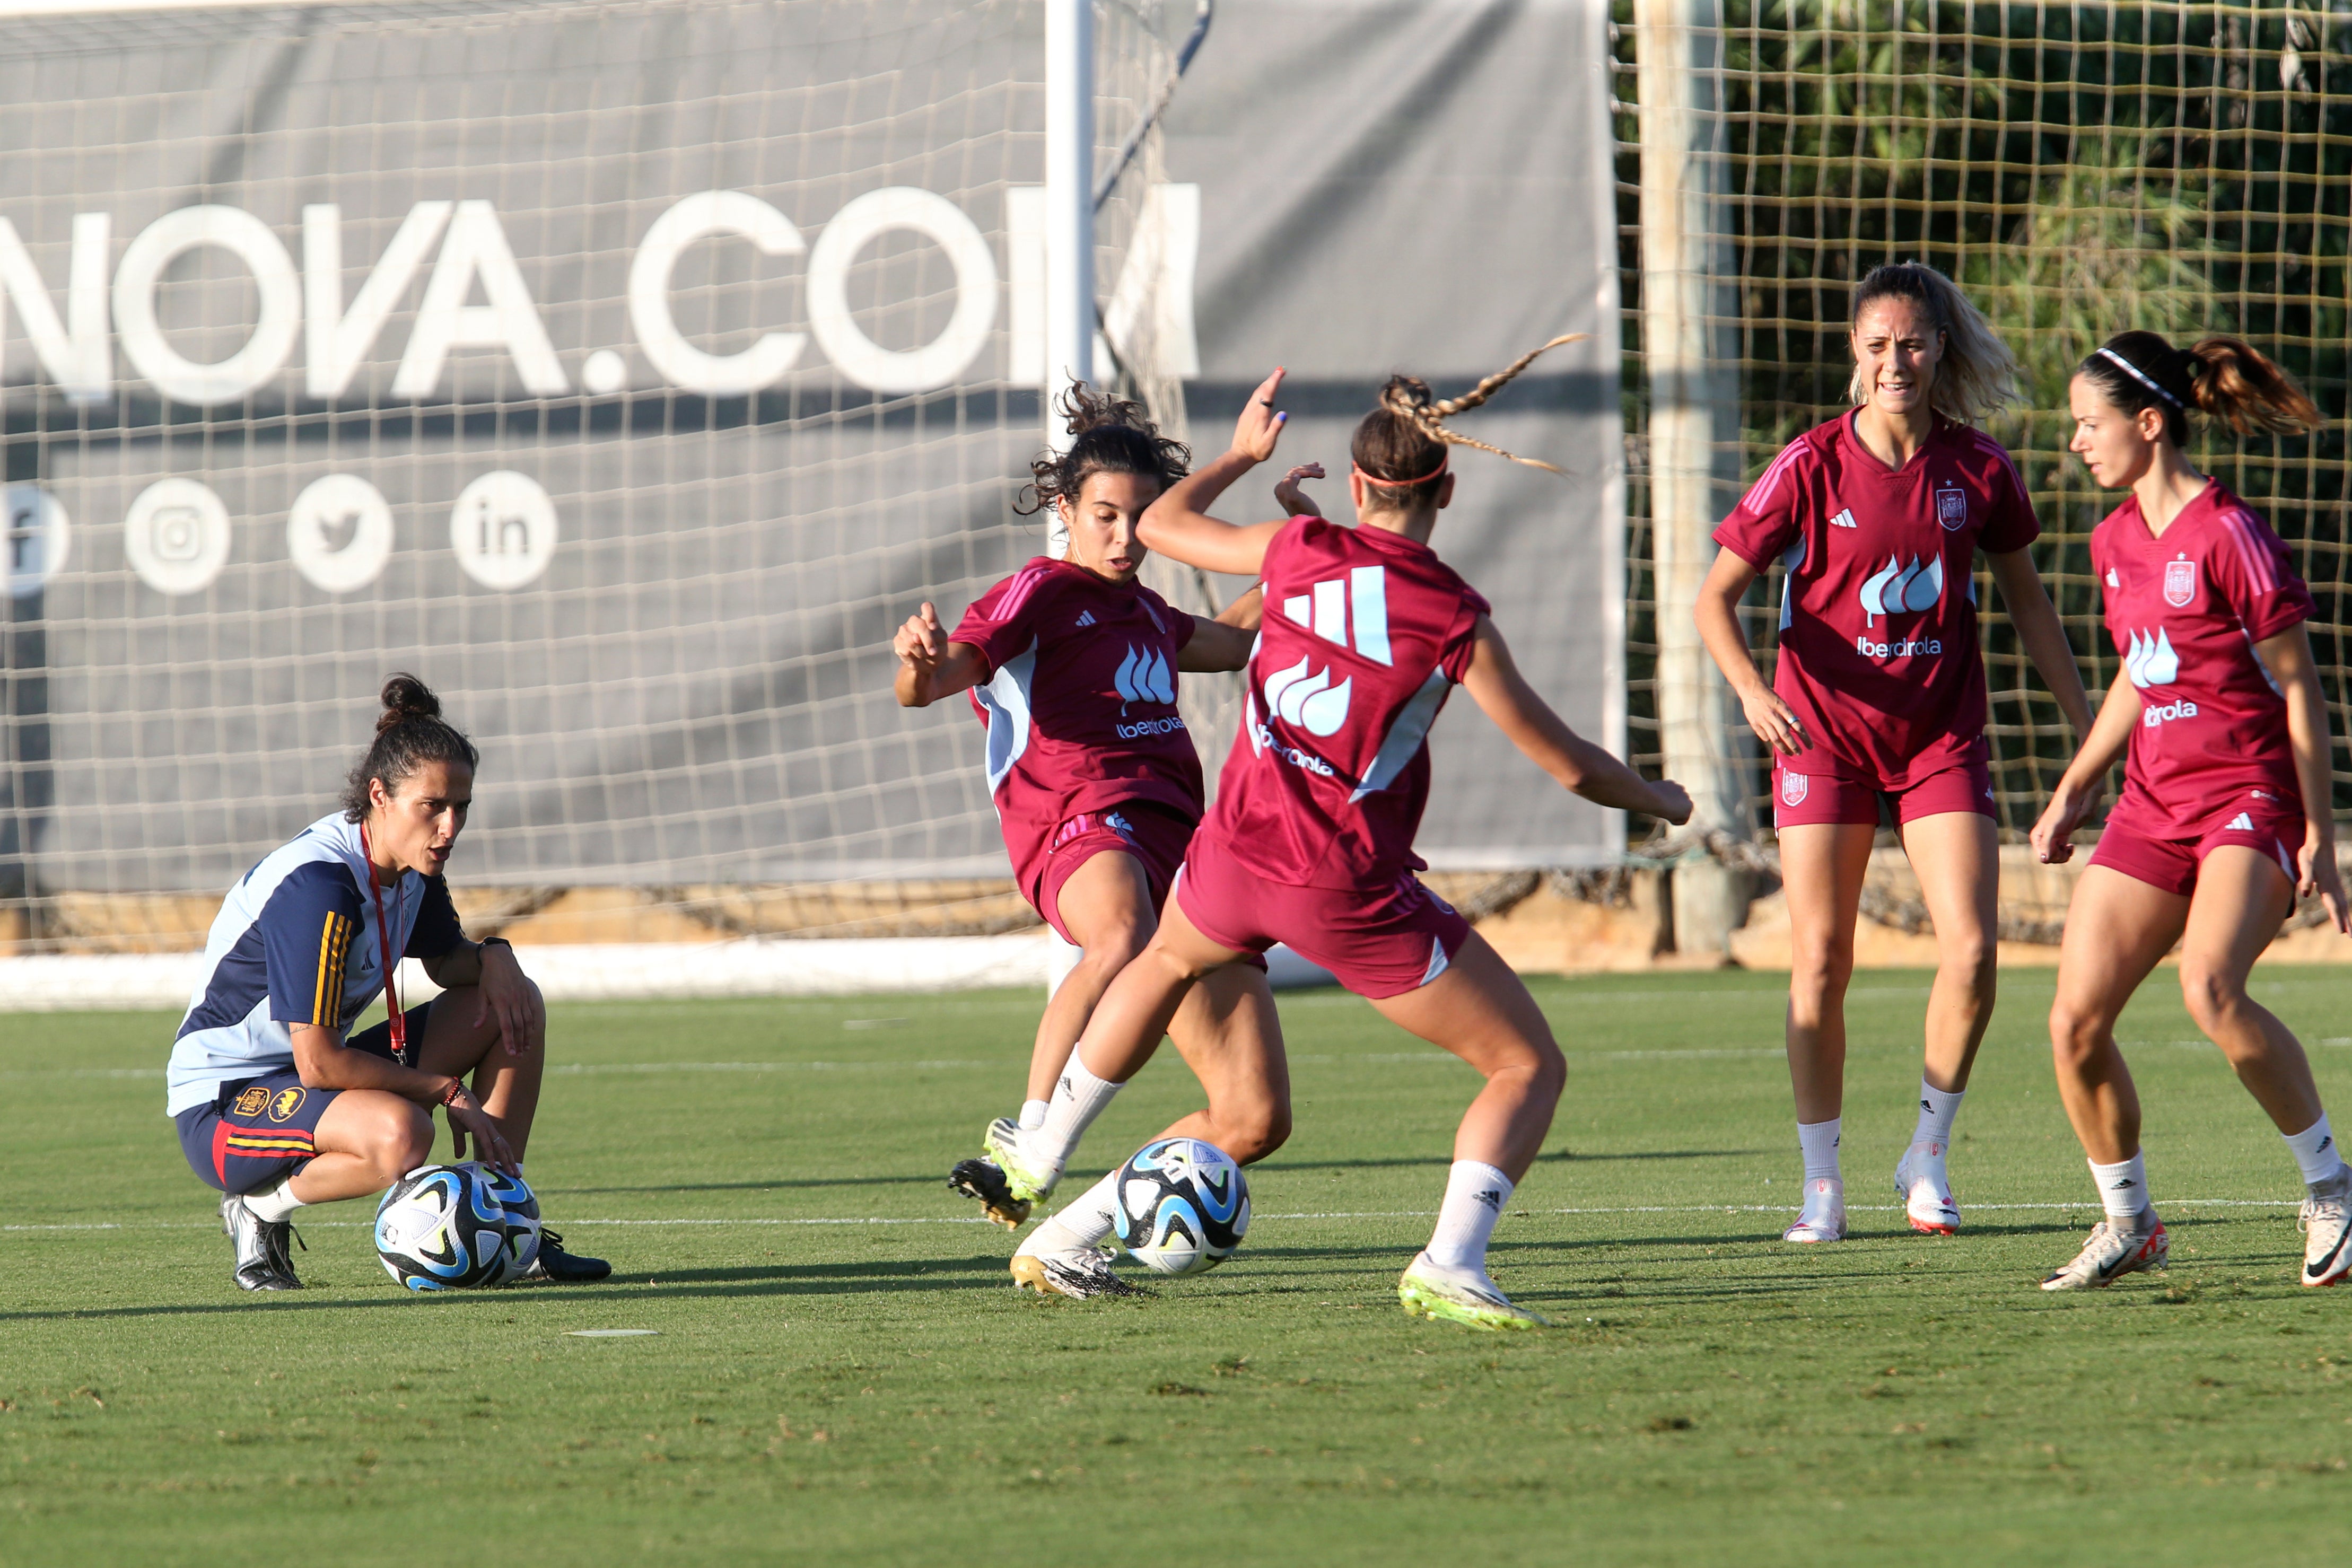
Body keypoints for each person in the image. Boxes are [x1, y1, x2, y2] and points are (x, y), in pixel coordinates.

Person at [981, 346, 1694, 1329]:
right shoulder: (1451, 614)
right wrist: (1657, 798)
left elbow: (1164, 524)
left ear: (1357, 486)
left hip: (1228, 859)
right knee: (1525, 1064)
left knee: (1205, 1039)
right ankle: (1451, 1260)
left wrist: (1239, 460)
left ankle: (1046, 1173)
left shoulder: (1297, 550)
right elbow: (1570, 765)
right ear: (1445, 490)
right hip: (1340, 884)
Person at [1693, 262, 2095, 1242]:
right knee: (1821, 960)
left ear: (1938, 349)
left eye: (1911, 344)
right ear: (1854, 352)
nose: (1894, 363)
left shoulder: (1978, 469)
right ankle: (1820, 1184)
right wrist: (1750, 692)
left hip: (1937, 739)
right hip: (1819, 738)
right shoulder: (1808, 465)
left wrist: (2091, 728)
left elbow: (2029, 605)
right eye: (1876, 345)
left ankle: (1928, 1154)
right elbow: (1713, 599)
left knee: (1973, 949)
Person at [889, 386, 1279, 1230]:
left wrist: (1297, 564)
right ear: (1064, 508)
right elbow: (935, 681)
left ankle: (1071, 1236)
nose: (1124, 536)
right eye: (1105, 515)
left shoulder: (1146, 611)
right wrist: (918, 664)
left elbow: (1237, 642)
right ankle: (1027, 1139)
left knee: (1253, 1116)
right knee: (1119, 935)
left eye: (1141, 518)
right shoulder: (1039, 590)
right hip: (1080, 820)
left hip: (1179, 842)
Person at [2032, 332, 2348, 1290]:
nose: (2077, 442)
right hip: (2151, 805)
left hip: (2248, 797)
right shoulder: (2111, 541)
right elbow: (2143, 670)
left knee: (2209, 986)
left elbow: (2300, 688)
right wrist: (2076, 784)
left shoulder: (2228, 533)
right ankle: (2129, 1222)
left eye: (2089, 424)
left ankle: (2332, 1188)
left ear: (2147, 423)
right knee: (2073, 1022)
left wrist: (2320, 834)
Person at [165, 675, 608, 1291]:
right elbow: (319, 1063)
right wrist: (446, 1089)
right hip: (226, 1106)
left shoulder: (411, 862)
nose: (450, 826)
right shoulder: (320, 886)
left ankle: (509, 1227)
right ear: (379, 794)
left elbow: (448, 963)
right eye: (433, 806)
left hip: (313, 1075)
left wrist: (497, 957)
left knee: (512, 1003)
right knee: (403, 1135)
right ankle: (259, 1207)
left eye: (462, 807)